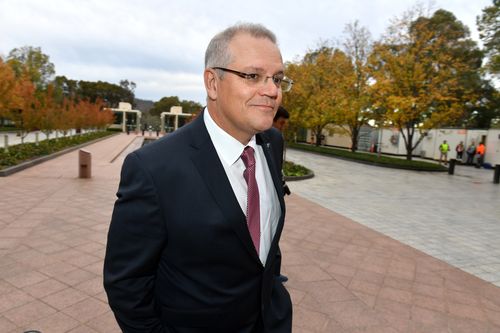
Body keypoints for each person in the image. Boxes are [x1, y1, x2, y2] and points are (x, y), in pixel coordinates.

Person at [104, 23, 293, 333]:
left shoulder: (272, 143)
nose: (272, 90)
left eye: (278, 78)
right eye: (253, 76)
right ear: (212, 83)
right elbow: (127, 284)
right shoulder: (153, 167)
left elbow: (262, 243)